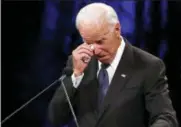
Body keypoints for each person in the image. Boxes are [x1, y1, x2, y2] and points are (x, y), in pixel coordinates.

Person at [48, 2, 178, 127]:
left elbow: (165, 117)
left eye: (100, 41)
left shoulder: (148, 66)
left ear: (117, 29)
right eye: (88, 43)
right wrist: (76, 75)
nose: (95, 50)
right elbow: (56, 118)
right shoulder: (79, 61)